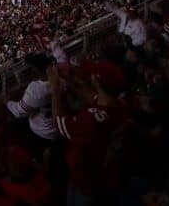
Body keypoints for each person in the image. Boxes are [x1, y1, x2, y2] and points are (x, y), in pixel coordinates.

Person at [49, 61, 129, 205]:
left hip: (87, 181)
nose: (91, 76)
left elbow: (59, 123)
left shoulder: (92, 119)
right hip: (107, 171)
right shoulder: (119, 105)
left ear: (97, 82)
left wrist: (54, 88)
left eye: (94, 75)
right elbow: (93, 97)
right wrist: (69, 80)